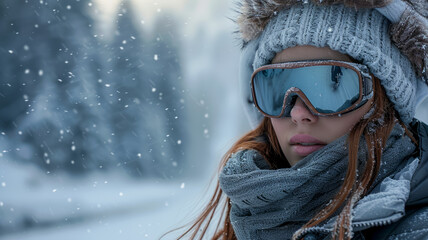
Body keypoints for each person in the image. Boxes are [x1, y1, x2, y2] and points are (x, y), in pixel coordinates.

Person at [177, 0, 428, 239]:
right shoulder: (249, 215)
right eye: (277, 87)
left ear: (388, 101)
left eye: (333, 82)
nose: (298, 113)